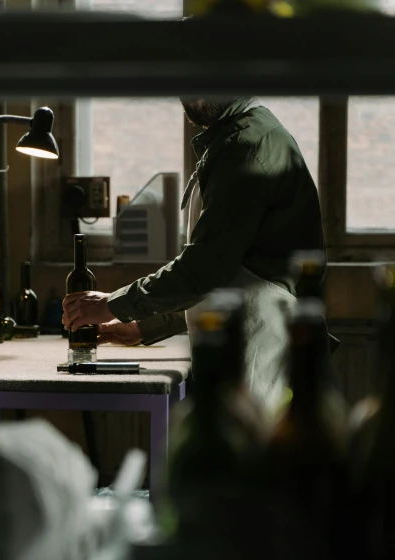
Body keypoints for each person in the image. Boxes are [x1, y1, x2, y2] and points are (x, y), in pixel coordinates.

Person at [63, 97, 325, 412]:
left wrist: (111, 305)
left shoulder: (245, 144)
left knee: (245, 454)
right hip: (247, 336)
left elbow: (205, 270)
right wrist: (146, 327)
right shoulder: (238, 137)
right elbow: (230, 278)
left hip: (258, 347)